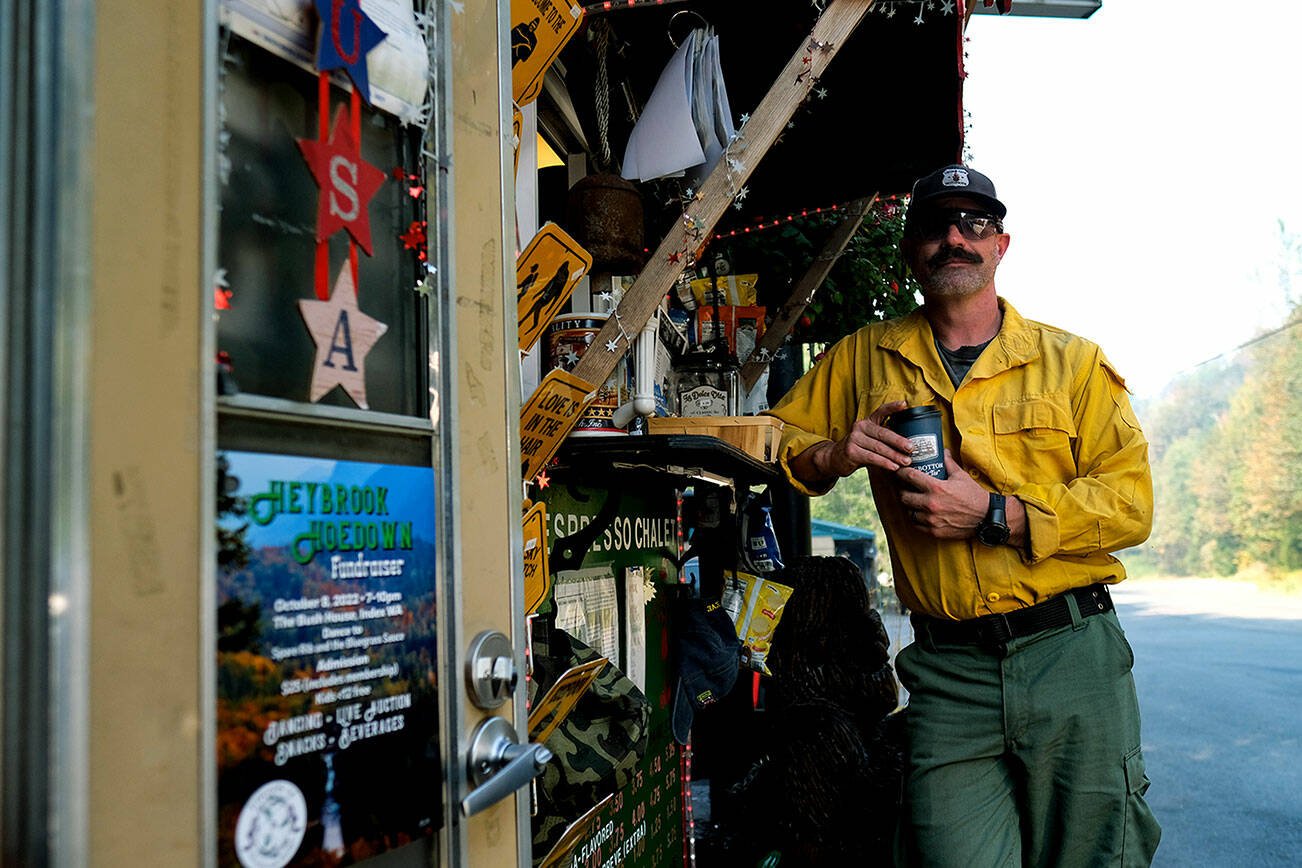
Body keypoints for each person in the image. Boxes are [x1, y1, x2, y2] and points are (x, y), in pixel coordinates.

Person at [765, 164, 1161, 867]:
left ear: (1001, 245)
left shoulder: (1070, 363)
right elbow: (774, 441)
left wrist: (996, 514)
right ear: (911, 249)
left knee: (1098, 857)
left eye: (974, 223)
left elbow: (1130, 505)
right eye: (934, 226)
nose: (955, 238)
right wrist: (833, 452)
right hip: (947, 672)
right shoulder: (864, 357)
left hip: (1070, 655)